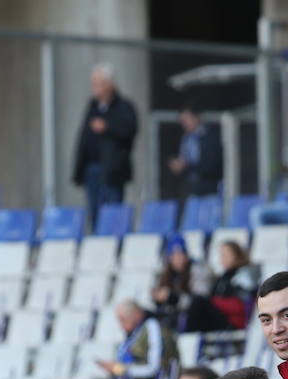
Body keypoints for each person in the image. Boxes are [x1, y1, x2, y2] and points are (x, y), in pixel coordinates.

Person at [71, 63, 138, 232]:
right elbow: (83, 137)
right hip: (92, 170)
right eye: (94, 83)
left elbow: (129, 130)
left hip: (112, 171)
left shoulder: (124, 107)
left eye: (100, 83)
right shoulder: (92, 107)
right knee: (95, 214)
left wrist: (107, 127)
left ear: (110, 84)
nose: (96, 88)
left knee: (113, 214)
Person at [96, 299, 178, 379]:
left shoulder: (152, 327)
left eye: (122, 319)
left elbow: (155, 368)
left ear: (136, 315)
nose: (120, 325)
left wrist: (120, 369)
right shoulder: (135, 333)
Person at [152, 235, 225, 332]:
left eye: (181, 254)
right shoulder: (164, 275)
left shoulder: (199, 270)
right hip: (176, 317)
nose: (179, 259)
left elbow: (200, 300)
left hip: (200, 318)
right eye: (174, 255)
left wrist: (174, 299)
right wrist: (158, 299)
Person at [168, 105, 223, 198]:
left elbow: (211, 164)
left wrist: (186, 166)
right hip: (191, 187)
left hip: (210, 188)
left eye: (187, 119)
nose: (184, 123)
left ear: (197, 117)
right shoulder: (186, 139)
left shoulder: (209, 136)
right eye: (182, 121)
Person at [209, 239, 259, 329]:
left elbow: (242, 305)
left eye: (226, 255)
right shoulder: (223, 277)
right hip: (220, 317)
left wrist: (214, 303)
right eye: (221, 255)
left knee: (198, 304)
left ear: (236, 255)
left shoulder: (245, 275)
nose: (222, 258)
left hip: (233, 322)